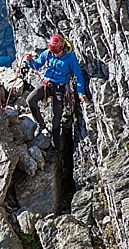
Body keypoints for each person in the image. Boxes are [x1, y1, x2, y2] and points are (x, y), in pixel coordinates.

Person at [20, 33, 89, 161]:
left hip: (60, 89)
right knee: (30, 99)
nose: (54, 54)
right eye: (53, 52)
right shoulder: (49, 53)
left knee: (56, 119)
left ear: (62, 48)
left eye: (56, 52)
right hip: (47, 84)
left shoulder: (70, 58)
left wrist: (80, 93)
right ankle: (41, 124)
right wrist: (30, 61)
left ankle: (56, 148)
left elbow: (79, 76)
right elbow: (37, 64)